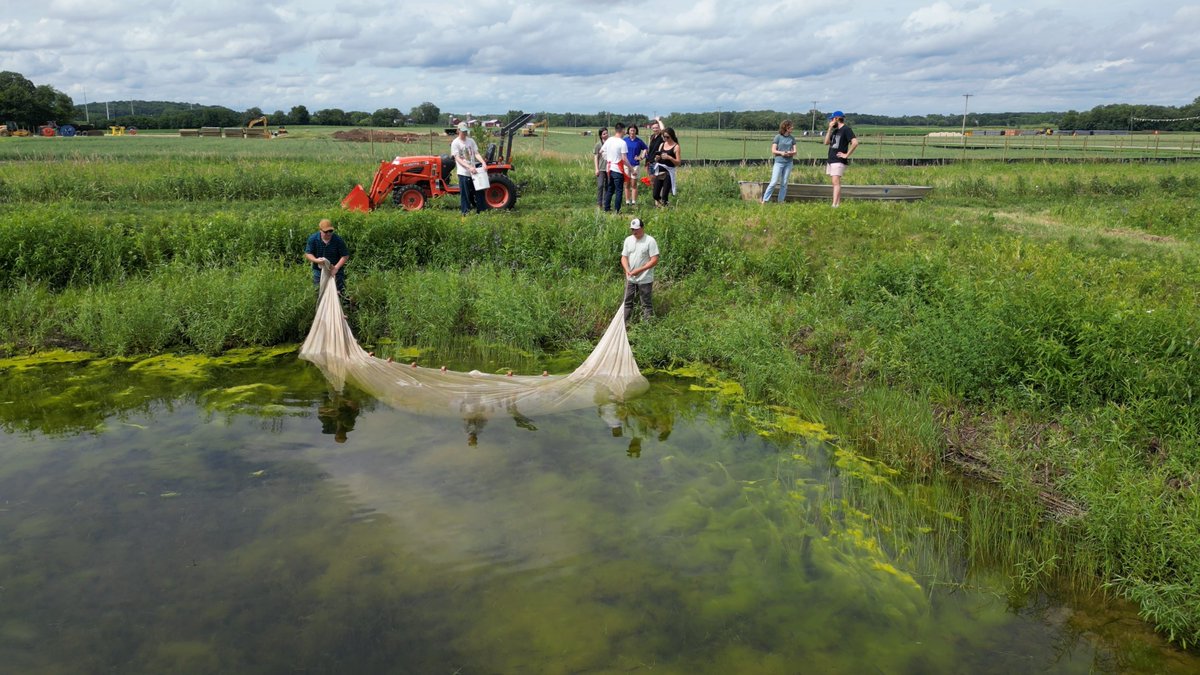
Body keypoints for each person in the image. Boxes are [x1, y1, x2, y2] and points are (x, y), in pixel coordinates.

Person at [621, 217, 659, 323]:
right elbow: (624, 257)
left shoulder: (650, 241)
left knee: (646, 303)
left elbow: (654, 260)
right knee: (627, 302)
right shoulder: (628, 240)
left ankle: (648, 326)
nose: (634, 232)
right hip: (630, 278)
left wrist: (640, 270)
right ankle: (625, 324)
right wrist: (627, 269)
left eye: (636, 229)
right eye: (632, 229)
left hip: (645, 278)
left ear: (642, 228)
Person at [304, 219, 348, 295]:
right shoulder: (313, 239)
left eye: (330, 231)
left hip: (335, 270)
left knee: (339, 292)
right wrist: (316, 260)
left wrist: (336, 268)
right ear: (320, 230)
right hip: (318, 271)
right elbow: (308, 253)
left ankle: (343, 305)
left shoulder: (338, 240)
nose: (328, 233)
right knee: (319, 291)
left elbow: (345, 256)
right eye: (326, 232)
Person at [451, 122, 487, 215]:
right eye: (463, 131)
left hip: (474, 172)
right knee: (465, 195)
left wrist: (483, 162)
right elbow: (457, 158)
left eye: (466, 131)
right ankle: (465, 213)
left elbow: (476, 153)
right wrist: (469, 167)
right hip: (463, 173)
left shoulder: (471, 141)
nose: (465, 133)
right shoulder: (455, 143)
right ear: (458, 131)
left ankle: (481, 212)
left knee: (479, 192)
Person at [823, 110, 858, 207]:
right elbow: (826, 142)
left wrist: (846, 155)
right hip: (831, 159)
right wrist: (829, 129)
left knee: (835, 182)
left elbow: (855, 143)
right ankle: (837, 204)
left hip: (838, 160)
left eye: (832, 119)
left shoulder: (846, 129)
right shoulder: (835, 131)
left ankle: (834, 205)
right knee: (835, 182)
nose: (831, 121)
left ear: (837, 119)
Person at [762, 120, 798, 203]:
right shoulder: (777, 137)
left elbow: (795, 151)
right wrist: (781, 153)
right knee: (774, 181)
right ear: (786, 127)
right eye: (791, 126)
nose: (792, 128)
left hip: (789, 162)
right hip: (779, 162)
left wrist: (790, 153)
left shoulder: (792, 138)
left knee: (784, 182)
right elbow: (773, 150)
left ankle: (780, 201)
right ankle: (765, 200)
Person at [600, 123, 630, 213]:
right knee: (619, 190)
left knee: (610, 189)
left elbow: (601, 151)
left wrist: (608, 158)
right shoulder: (622, 142)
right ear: (622, 130)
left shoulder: (609, 140)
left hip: (609, 168)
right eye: (625, 130)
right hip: (617, 169)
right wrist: (631, 169)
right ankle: (617, 210)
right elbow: (624, 159)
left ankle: (607, 208)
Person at [652, 127, 681, 207]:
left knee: (664, 195)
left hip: (668, 172)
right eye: (664, 137)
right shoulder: (662, 145)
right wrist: (657, 158)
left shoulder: (676, 147)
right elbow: (657, 157)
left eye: (667, 137)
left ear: (672, 136)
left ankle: (665, 208)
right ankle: (664, 205)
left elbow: (678, 163)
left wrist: (670, 157)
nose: (665, 139)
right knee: (655, 194)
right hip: (660, 171)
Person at [623, 125, 649, 205]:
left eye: (634, 131)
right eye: (631, 130)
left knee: (634, 184)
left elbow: (646, 149)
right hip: (626, 165)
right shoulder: (624, 141)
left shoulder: (639, 141)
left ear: (636, 131)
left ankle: (634, 202)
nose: (632, 132)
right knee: (626, 184)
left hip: (635, 165)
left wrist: (641, 157)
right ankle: (627, 201)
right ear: (628, 131)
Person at [592, 127, 610, 209]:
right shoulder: (598, 145)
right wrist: (596, 168)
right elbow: (596, 157)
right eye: (604, 134)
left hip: (609, 168)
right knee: (600, 185)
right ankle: (599, 203)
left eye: (607, 133)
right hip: (601, 168)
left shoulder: (610, 143)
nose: (606, 135)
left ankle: (606, 203)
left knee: (608, 186)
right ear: (601, 135)